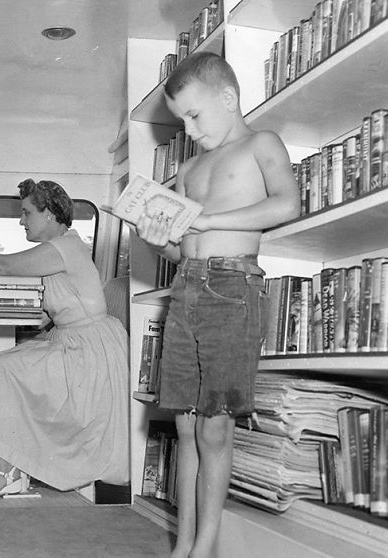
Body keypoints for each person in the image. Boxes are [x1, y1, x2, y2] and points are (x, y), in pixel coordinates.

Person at [135, 52, 300, 558]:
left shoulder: (261, 143)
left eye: (194, 115)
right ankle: (182, 544)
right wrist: (154, 236)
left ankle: (205, 547)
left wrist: (209, 223)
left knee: (215, 422)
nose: (188, 128)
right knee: (183, 422)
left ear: (228, 99)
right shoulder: (186, 168)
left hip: (233, 288)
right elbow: (177, 248)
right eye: (181, 119)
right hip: (186, 287)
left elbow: (287, 204)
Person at [0, 178, 130, 501]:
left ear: (50, 214)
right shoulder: (61, 248)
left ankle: (2, 472)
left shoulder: (63, 247)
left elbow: (1, 264)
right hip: (74, 342)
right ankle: (10, 467)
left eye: (26, 213)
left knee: (8, 368)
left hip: (89, 351)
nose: (21, 221)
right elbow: (50, 312)